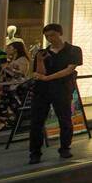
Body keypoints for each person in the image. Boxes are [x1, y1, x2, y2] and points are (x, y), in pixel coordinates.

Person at [28, 24, 83, 164]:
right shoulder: (43, 52)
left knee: (64, 119)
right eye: (47, 36)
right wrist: (40, 61)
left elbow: (69, 69)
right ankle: (35, 152)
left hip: (62, 88)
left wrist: (48, 78)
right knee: (36, 121)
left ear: (60, 33)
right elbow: (40, 73)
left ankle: (65, 148)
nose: (50, 38)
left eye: (52, 35)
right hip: (42, 90)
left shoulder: (73, 50)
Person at [0, 40, 31, 131]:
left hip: (16, 87)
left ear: (15, 49)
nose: (7, 49)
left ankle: (13, 123)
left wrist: (7, 69)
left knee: (10, 106)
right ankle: (11, 123)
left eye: (10, 48)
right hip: (9, 87)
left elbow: (20, 74)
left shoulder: (22, 60)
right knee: (4, 106)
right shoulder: (13, 60)